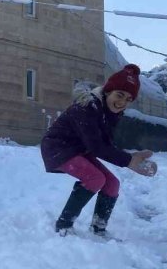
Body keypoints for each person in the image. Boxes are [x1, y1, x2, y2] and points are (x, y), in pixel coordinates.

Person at [41, 64, 157, 238]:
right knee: (95, 178)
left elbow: (106, 144)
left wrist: (131, 157)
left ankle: (98, 229)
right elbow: (97, 147)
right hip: (58, 147)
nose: (122, 102)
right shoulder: (87, 107)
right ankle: (64, 225)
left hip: (78, 149)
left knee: (112, 184)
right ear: (108, 91)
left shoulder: (110, 113)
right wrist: (128, 161)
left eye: (128, 99)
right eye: (119, 95)